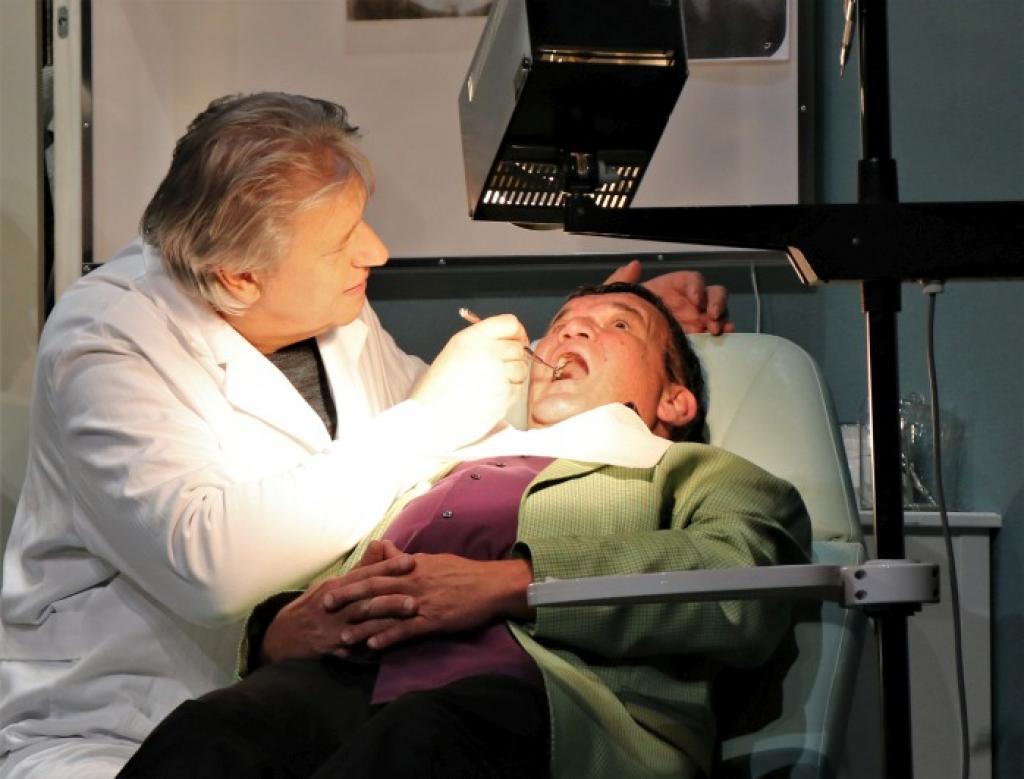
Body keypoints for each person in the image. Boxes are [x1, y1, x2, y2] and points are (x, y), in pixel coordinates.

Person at [0, 93, 731, 778]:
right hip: (123, 718)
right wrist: (436, 416)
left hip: (340, 697)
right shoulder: (107, 341)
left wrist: (623, 327)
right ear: (240, 278)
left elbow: (471, 420)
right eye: (342, 241)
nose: (376, 252)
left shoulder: (332, 313)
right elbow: (208, 563)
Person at [118, 282, 811, 779]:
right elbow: (329, 567)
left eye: (617, 325)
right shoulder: (438, 460)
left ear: (675, 400)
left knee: (418, 742)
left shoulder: (692, 472)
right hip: (348, 679)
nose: (570, 332)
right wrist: (277, 630)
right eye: (562, 322)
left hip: (546, 704)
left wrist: (512, 584)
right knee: (210, 734)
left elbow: (745, 581)